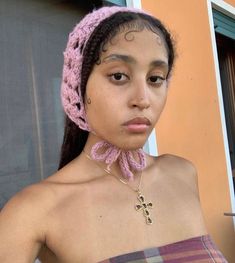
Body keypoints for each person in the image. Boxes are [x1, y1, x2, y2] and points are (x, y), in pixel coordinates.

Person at [0, 5, 228, 263]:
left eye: (155, 78)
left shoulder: (183, 173)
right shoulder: (33, 211)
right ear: (79, 87)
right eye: (119, 76)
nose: (143, 100)